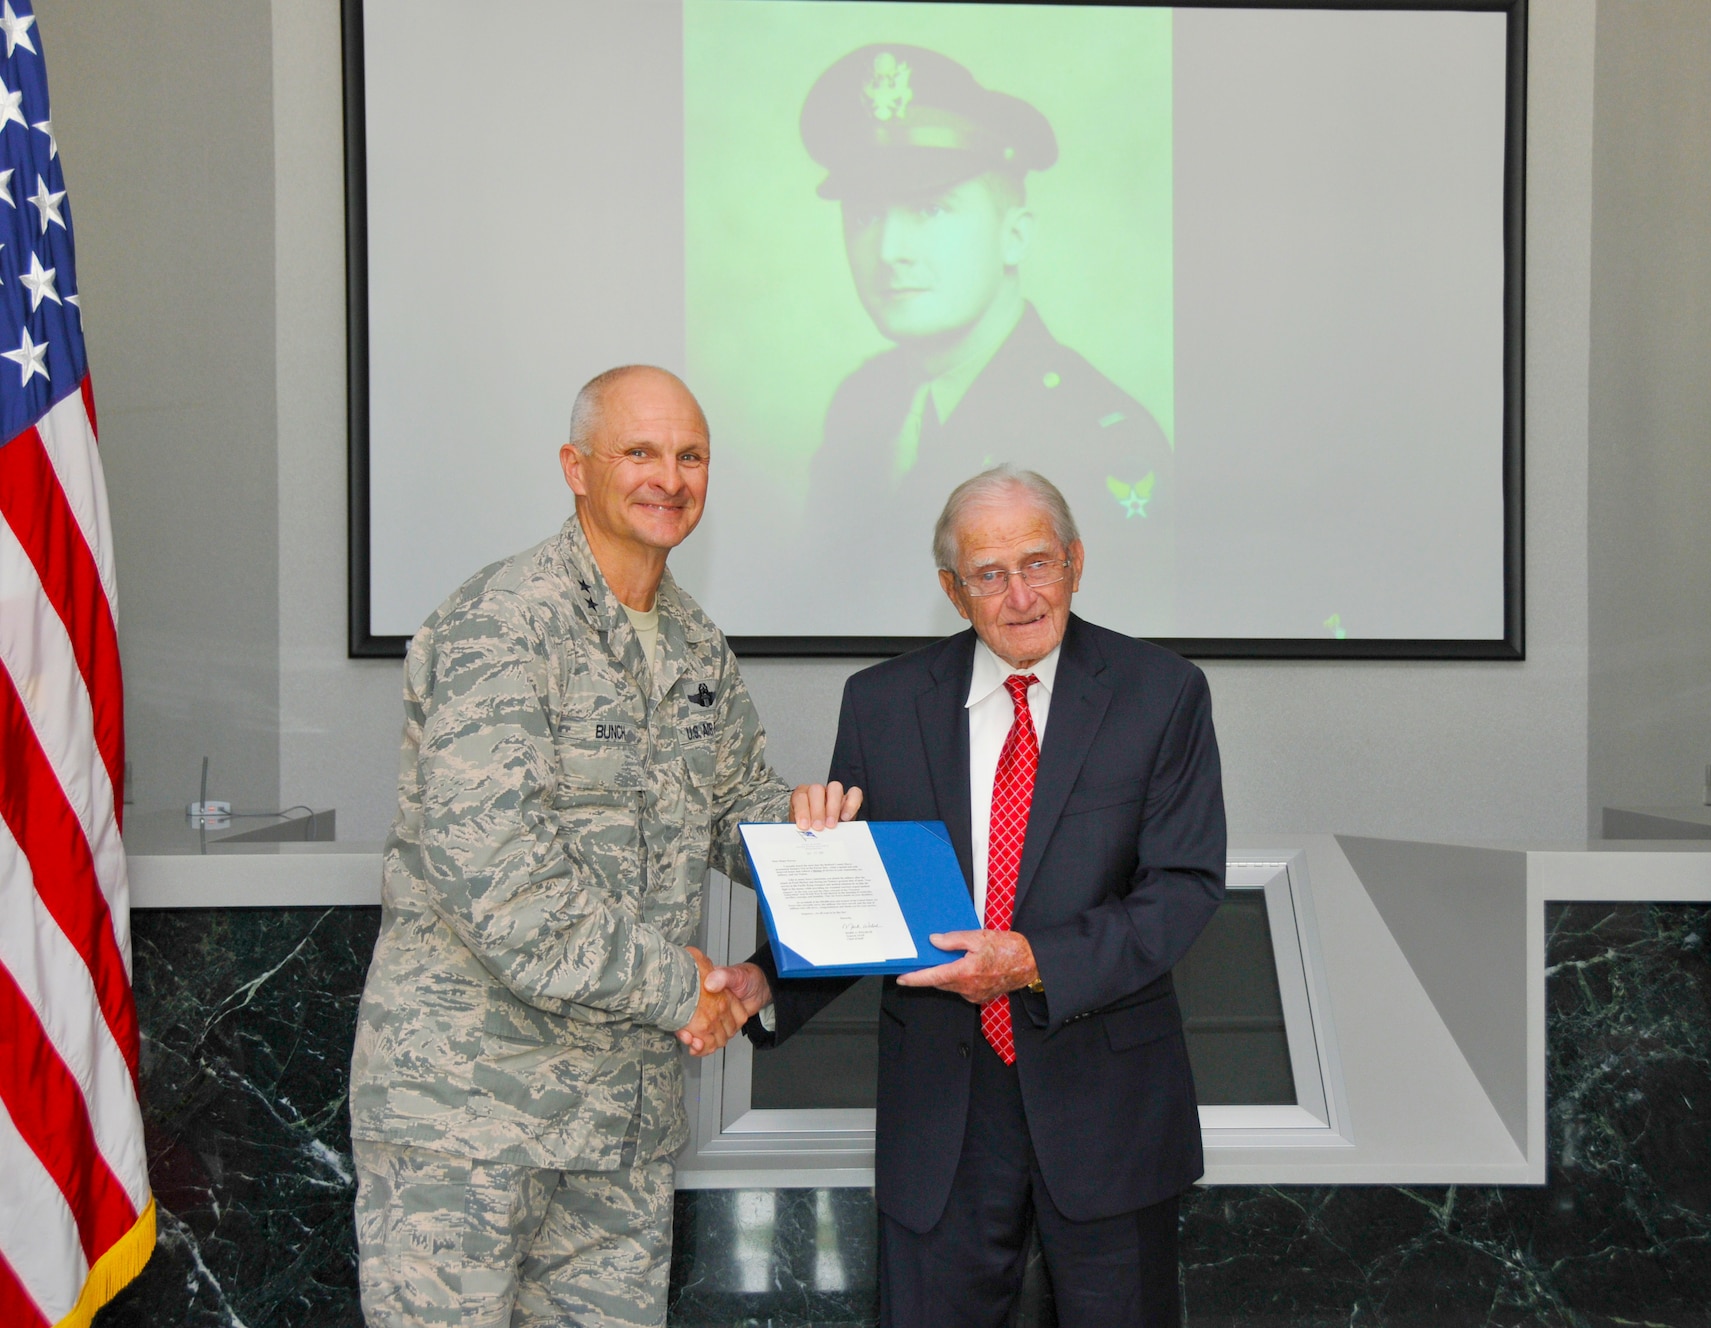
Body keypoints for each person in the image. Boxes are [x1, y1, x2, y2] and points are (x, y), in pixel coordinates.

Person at [346, 365, 859, 1328]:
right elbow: (502, 885)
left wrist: (816, 848)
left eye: (691, 455)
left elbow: (731, 807)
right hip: (469, 1118)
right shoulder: (501, 625)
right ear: (576, 468)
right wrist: (690, 991)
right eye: (641, 452)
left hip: (620, 1127)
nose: (670, 477)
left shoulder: (697, 646)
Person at [713, 465, 1226, 1325]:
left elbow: (1181, 889)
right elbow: (867, 900)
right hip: (943, 1117)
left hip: (1107, 1110)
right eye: (991, 575)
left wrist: (1032, 962)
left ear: (1076, 562)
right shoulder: (881, 705)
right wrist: (767, 980)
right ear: (954, 592)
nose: (1021, 595)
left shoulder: (1162, 694)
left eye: (1039, 564)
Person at [800, 46, 1177, 635]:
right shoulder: (862, 401)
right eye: (867, 215)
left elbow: (1112, 675)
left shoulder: (1101, 436)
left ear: (1014, 235)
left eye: (929, 208)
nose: (891, 249)